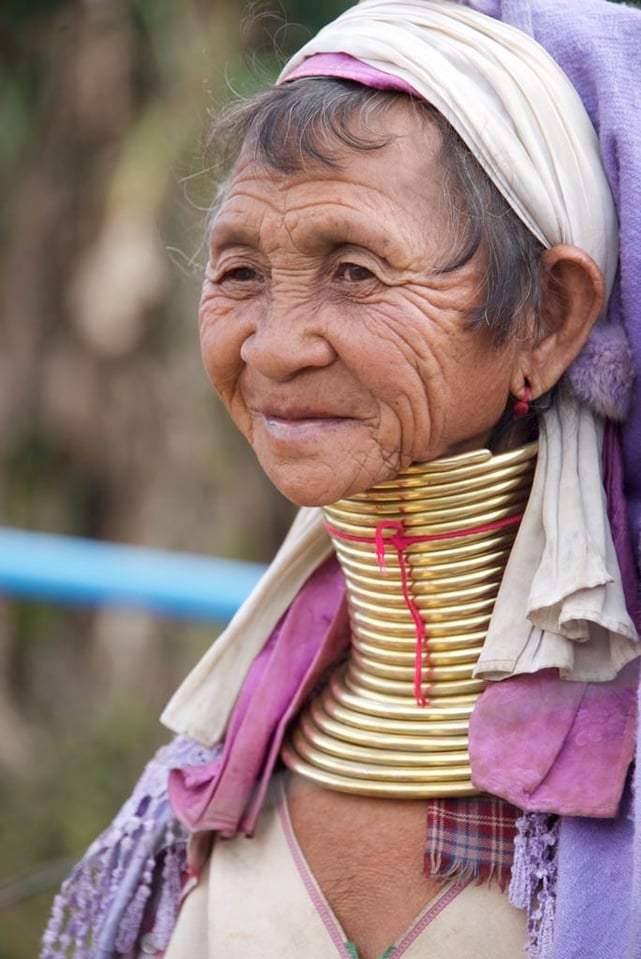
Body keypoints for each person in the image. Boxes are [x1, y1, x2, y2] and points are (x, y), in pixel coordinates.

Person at [42, 1, 641, 957]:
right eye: (238, 272)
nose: (274, 348)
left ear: (548, 319)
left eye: (355, 272)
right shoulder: (217, 767)